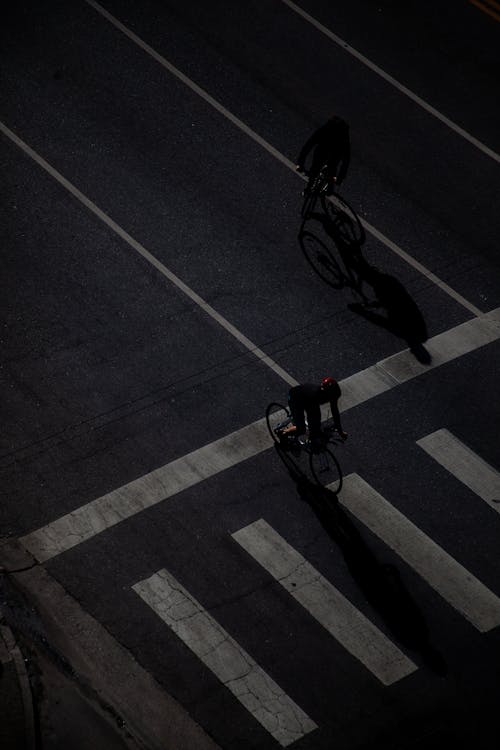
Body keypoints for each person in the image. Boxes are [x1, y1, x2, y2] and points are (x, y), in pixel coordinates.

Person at [283, 377, 348, 444]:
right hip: (296, 400)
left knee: (315, 424)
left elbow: (335, 412)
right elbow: (311, 416)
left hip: (305, 397)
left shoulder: (333, 393)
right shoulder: (315, 396)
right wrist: (314, 433)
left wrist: (340, 431)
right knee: (302, 429)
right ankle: (284, 433)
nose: (332, 399)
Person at [296, 116, 350, 194]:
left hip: (333, 151)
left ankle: (325, 186)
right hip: (325, 150)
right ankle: (314, 185)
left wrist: (300, 163)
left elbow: (308, 145)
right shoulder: (326, 130)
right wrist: (339, 178)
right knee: (320, 166)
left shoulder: (340, 136)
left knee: (329, 166)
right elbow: (346, 160)